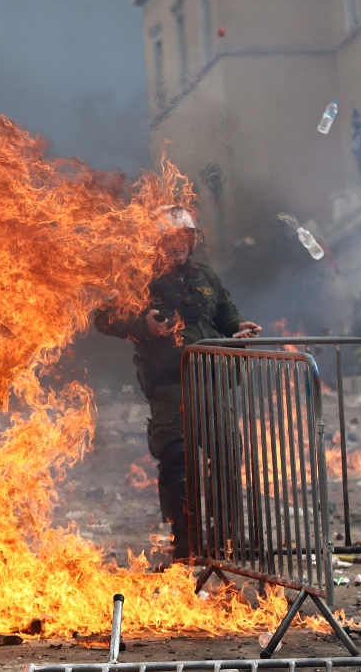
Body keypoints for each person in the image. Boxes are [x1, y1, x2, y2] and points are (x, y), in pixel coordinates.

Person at [95, 206, 260, 562]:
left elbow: (225, 312)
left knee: (228, 458)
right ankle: (186, 543)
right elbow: (106, 317)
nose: (178, 246)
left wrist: (239, 327)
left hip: (213, 380)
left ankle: (223, 541)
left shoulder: (205, 276)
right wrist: (145, 326)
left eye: (185, 239)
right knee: (175, 460)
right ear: (157, 243)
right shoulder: (139, 279)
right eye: (170, 240)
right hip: (171, 386)